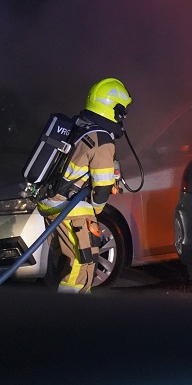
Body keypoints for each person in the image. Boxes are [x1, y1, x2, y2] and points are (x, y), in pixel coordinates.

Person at [36, 78, 132, 293]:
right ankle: (71, 317)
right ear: (114, 109)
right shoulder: (102, 139)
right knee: (82, 263)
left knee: (65, 261)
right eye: (122, 110)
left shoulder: (81, 126)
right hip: (71, 209)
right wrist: (95, 212)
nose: (123, 116)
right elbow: (103, 185)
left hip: (54, 202)